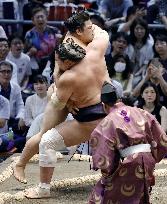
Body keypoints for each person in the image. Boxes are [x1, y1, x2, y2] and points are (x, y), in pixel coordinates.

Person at [13, 11, 110, 185]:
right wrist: (68, 100)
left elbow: (102, 32)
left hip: (85, 97)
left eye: (91, 27)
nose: (93, 30)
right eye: (89, 28)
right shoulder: (68, 49)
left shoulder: (95, 40)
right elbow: (57, 89)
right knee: (44, 135)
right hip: (62, 92)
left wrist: (90, 26)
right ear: (79, 32)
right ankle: (20, 164)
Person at [89, 82, 167, 204]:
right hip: (147, 160)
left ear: (103, 105)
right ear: (119, 99)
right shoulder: (141, 112)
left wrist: (108, 172)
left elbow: (104, 160)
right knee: (141, 195)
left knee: (102, 194)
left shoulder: (106, 123)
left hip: (127, 163)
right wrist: (152, 157)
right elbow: (162, 139)